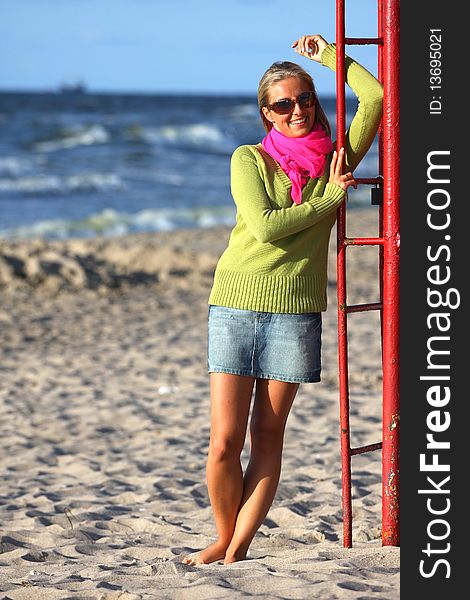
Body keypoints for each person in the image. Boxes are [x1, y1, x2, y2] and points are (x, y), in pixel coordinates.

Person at [183, 34, 383, 566]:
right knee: (224, 441)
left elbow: (377, 98)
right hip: (234, 303)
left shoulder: (336, 155)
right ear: (266, 114)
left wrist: (329, 56)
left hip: (296, 311)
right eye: (283, 104)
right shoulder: (248, 159)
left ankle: (237, 549)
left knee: (267, 434)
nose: (297, 110)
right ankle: (223, 537)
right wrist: (334, 195)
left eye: (305, 99)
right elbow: (268, 229)